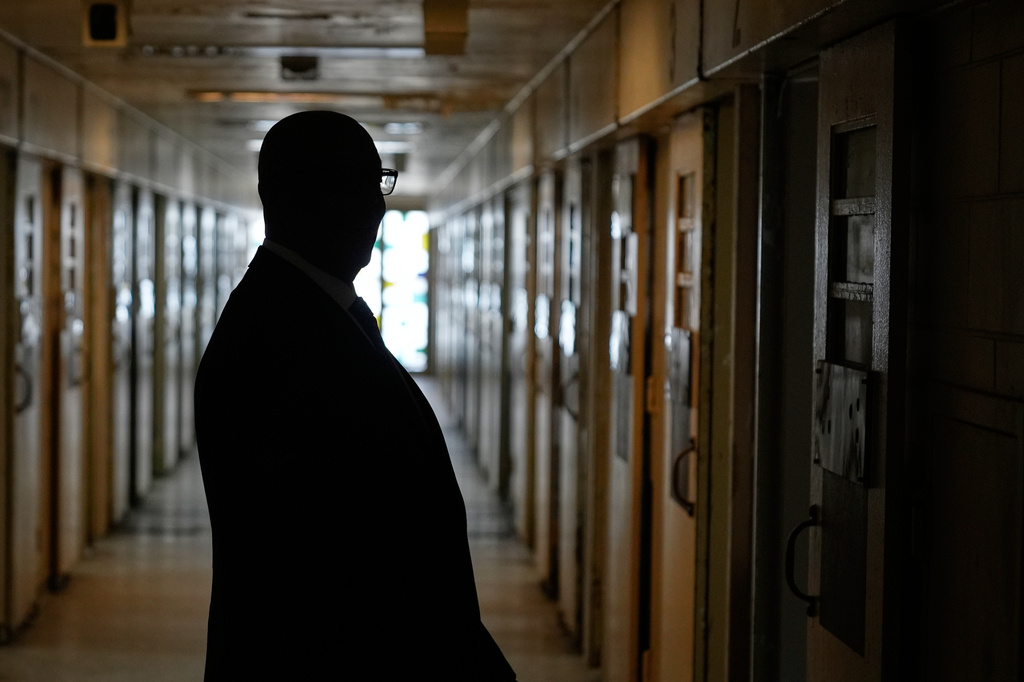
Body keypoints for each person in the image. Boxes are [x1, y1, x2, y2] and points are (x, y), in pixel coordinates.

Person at [194, 110, 516, 681]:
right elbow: (339, 565)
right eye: (350, 185)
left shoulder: (315, 312)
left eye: (378, 184)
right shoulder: (277, 341)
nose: (376, 207)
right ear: (283, 196)